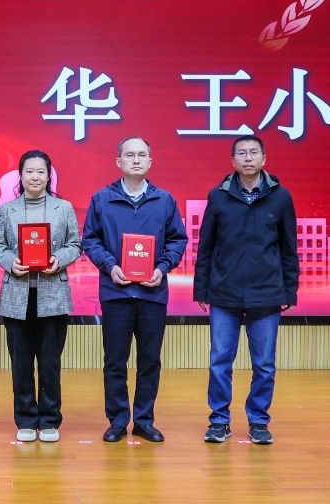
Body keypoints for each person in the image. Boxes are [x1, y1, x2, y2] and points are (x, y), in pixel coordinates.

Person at [193, 134, 300, 446]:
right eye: (242, 153)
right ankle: (219, 420)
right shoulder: (218, 196)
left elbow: (288, 248)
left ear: (264, 159)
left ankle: (259, 421)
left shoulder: (281, 197)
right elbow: (206, 246)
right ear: (233, 161)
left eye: (254, 152)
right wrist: (201, 289)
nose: (248, 157)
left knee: (264, 364)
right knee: (220, 361)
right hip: (223, 293)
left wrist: (289, 290)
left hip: (267, 294)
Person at [82, 137, 187, 443]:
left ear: (150, 161)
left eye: (142, 155)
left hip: (153, 293)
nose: (136, 160)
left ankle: (144, 420)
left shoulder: (165, 200)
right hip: (116, 292)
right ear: (119, 161)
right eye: (130, 155)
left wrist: (162, 269)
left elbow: (177, 240)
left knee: (149, 360)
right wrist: (110, 266)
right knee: (115, 360)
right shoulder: (102, 199)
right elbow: (91, 239)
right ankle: (117, 420)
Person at [0, 150, 82, 443]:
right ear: (20, 176)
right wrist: (11, 263)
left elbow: (75, 244)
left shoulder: (63, 208)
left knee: (49, 362)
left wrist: (59, 259)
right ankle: (26, 419)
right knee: (20, 362)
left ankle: (50, 419)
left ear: (48, 176)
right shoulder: (7, 210)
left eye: (40, 172)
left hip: (53, 293)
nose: (35, 177)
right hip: (17, 296)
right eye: (29, 171)